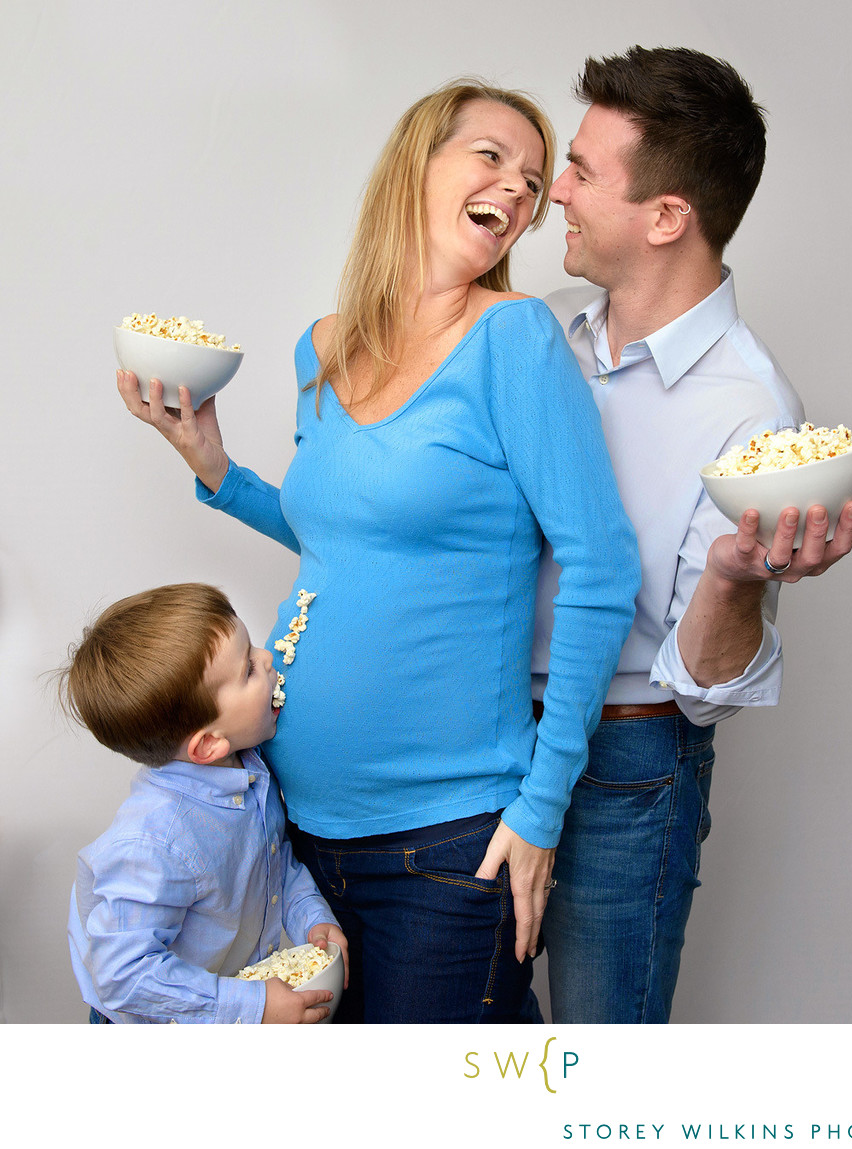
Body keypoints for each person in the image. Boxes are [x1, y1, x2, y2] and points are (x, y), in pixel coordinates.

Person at [116, 82, 640, 1023]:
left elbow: (602, 569)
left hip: (445, 843)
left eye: (532, 179)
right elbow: (344, 540)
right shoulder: (324, 347)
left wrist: (541, 804)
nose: (518, 189)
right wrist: (213, 465)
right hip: (292, 836)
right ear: (415, 164)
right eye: (491, 157)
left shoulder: (512, 339)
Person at [532, 46, 852, 1023]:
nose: (556, 192)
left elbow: (699, 688)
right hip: (481, 739)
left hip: (628, 768)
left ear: (667, 216)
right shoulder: (540, 332)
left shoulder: (752, 412)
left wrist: (733, 578)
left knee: (599, 1058)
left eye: (582, 172)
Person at [62, 583, 347, 1024]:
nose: (267, 658)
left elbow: (274, 863)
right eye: (248, 669)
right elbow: (122, 975)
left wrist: (311, 916)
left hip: (219, 998)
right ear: (209, 744)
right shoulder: (154, 843)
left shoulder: (248, 767)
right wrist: (252, 1006)